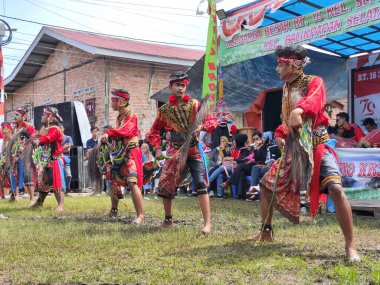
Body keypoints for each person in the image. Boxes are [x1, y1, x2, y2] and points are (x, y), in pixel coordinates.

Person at [251, 45, 360, 262]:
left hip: (317, 145)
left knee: (336, 189)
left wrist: (298, 110)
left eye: (280, 64)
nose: (277, 69)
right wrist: (281, 133)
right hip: (294, 149)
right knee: (265, 185)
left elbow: (315, 102)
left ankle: (350, 245)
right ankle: (266, 231)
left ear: (291, 65)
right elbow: (285, 119)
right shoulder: (286, 89)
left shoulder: (314, 82)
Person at [147, 71, 216, 234]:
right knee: (166, 184)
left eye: (183, 85)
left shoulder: (195, 105)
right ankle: (168, 220)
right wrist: (157, 149)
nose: (180, 88)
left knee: (200, 183)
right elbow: (154, 131)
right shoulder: (164, 110)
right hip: (174, 151)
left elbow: (211, 120)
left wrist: (203, 127)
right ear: (171, 87)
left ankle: (207, 224)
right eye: (177, 85)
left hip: (193, 149)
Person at [100, 89, 144, 224]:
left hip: (130, 153)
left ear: (120, 102)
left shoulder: (131, 115)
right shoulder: (120, 117)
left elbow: (126, 131)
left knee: (132, 182)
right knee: (113, 179)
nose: (111, 103)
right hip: (120, 154)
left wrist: (109, 132)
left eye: (113, 100)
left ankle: (140, 215)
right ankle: (114, 210)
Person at [31, 107, 66, 211]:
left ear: (50, 117)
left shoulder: (55, 129)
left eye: (44, 115)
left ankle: (61, 205)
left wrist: (39, 140)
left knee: (57, 183)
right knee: (43, 183)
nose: (42, 116)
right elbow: (37, 136)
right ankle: (39, 202)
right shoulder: (44, 128)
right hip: (46, 160)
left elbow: (49, 138)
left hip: (55, 160)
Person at [9, 106, 36, 203]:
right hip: (15, 155)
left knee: (27, 175)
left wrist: (24, 147)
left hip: (26, 154)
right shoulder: (14, 127)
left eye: (17, 115)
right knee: (15, 174)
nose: (15, 116)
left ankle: (32, 199)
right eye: (14, 114)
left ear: (24, 116)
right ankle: (15, 196)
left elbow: (33, 139)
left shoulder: (29, 126)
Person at [60, 124, 74, 195]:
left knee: (68, 175)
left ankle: (67, 189)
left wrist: (60, 151)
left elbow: (68, 149)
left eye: (61, 127)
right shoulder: (56, 139)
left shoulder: (68, 138)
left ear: (63, 129)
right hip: (57, 158)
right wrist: (62, 150)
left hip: (65, 158)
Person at [0, 123, 13, 199]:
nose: (2, 130)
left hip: (10, 160)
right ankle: (2, 195)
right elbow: (2, 150)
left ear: (9, 129)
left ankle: (13, 193)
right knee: (1, 176)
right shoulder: (4, 139)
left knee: (9, 177)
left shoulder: (12, 138)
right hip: (3, 159)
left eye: (4, 128)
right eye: (2, 128)